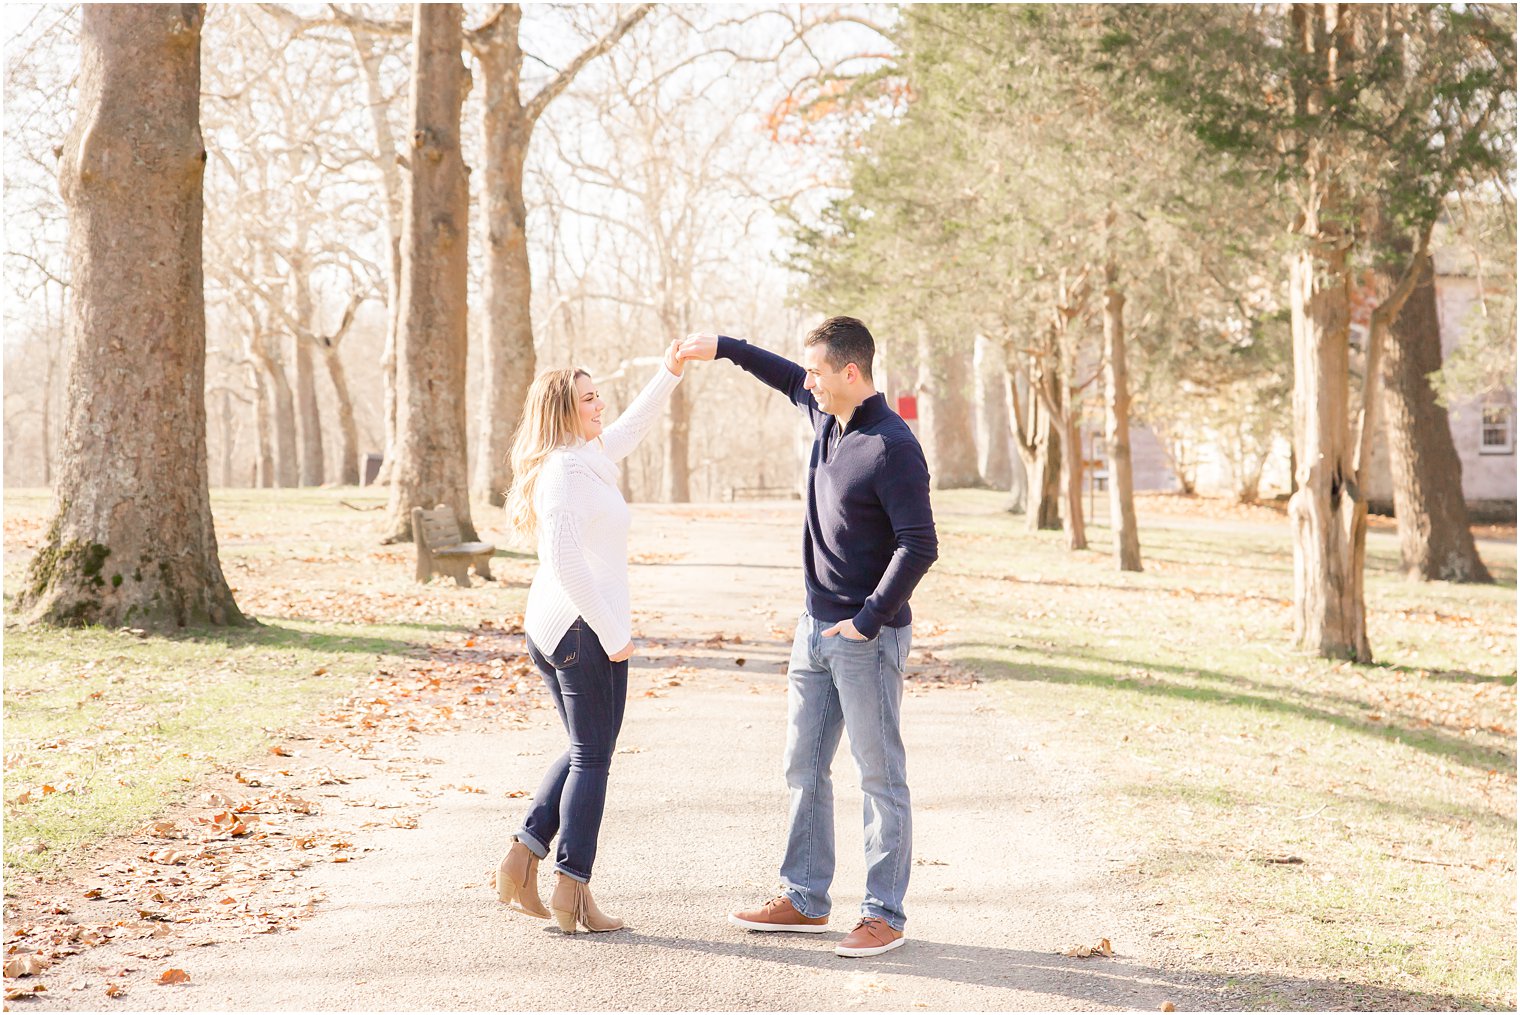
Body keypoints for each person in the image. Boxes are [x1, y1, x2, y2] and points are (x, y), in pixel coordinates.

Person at [678, 318, 938, 958]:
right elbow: (780, 373)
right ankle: (804, 898)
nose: (809, 382)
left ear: (851, 373)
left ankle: (884, 913)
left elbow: (919, 545)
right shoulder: (828, 415)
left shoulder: (891, 447)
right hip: (813, 629)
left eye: (819, 372)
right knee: (804, 767)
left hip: (865, 638)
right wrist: (724, 349)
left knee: (879, 777)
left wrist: (869, 619)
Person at [492, 341, 686, 934]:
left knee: (584, 748)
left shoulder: (586, 455)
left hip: (563, 625)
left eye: (598, 393)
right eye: (587, 398)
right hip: (580, 629)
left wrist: (669, 371)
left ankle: (523, 858)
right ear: (562, 410)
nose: (600, 405)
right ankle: (571, 892)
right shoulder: (566, 473)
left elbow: (631, 427)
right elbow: (566, 560)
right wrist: (612, 633)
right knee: (593, 756)